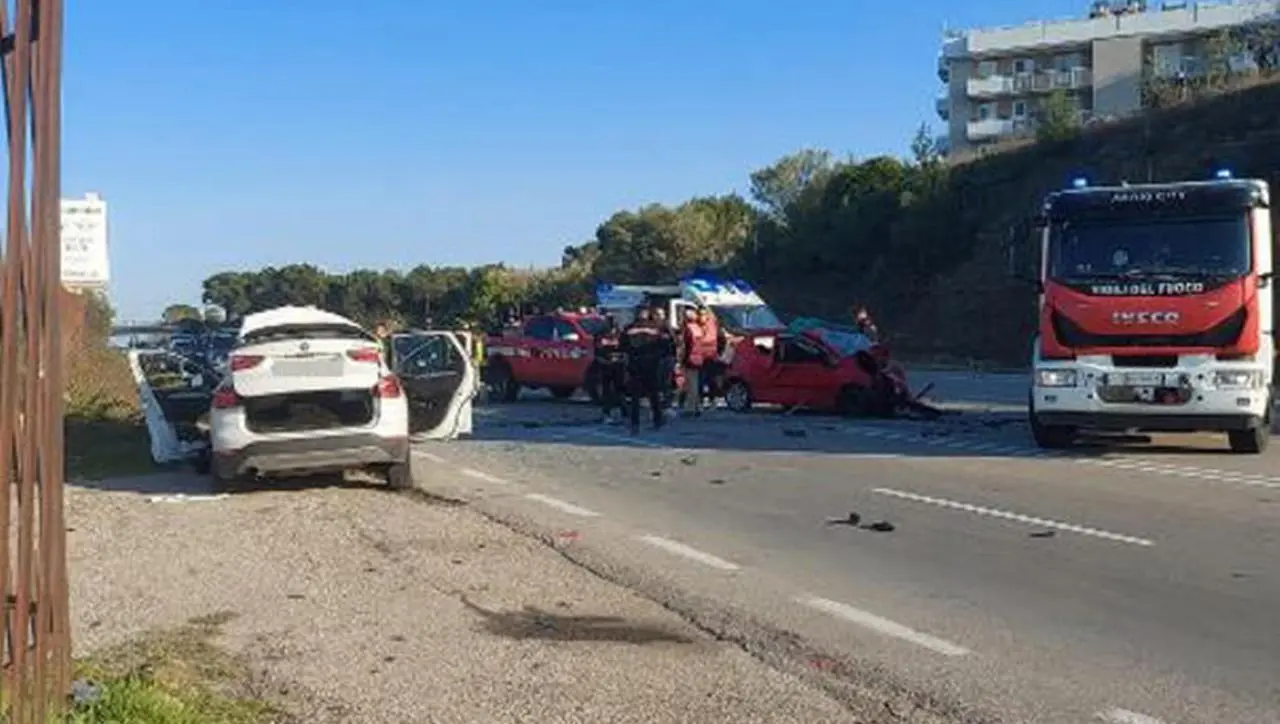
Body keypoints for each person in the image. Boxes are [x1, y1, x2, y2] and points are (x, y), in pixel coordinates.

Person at [620, 307, 666, 433]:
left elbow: (622, 347)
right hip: (648, 363)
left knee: (638, 396)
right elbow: (663, 346)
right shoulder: (655, 327)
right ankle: (656, 420)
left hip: (638, 363)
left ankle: (637, 423)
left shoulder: (629, 328)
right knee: (652, 394)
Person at [593, 315, 626, 423]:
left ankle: (625, 413)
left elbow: (626, 349)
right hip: (605, 365)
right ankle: (606, 414)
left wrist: (621, 359)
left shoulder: (621, 335)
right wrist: (602, 361)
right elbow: (597, 352)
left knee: (620, 390)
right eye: (608, 322)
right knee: (607, 391)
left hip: (618, 365)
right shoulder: (600, 335)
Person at [680, 308, 707, 416]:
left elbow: (685, 345)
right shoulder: (698, 328)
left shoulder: (687, 329)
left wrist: (682, 358)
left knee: (691, 384)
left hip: (690, 358)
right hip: (698, 357)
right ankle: (697, 406)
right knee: (695, 383)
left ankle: (691, 408)